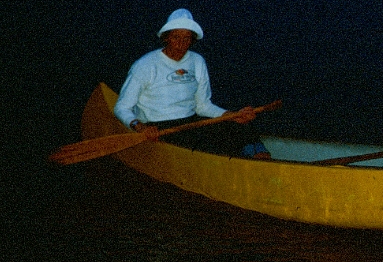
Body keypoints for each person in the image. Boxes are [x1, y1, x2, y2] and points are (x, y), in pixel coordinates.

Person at [113, 8, 271, 159]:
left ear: (192, 40)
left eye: (186, 38)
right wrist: (139, 126)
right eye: (176, 37)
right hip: (157, 127)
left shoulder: (197, 61)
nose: (181, 43)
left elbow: (203, 106)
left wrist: (230, 115)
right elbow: (121, 107)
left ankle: (261, 161)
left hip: (189, 122)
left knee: (240, 126)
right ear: (166, 37)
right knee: (212, 146)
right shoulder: (145, 65)